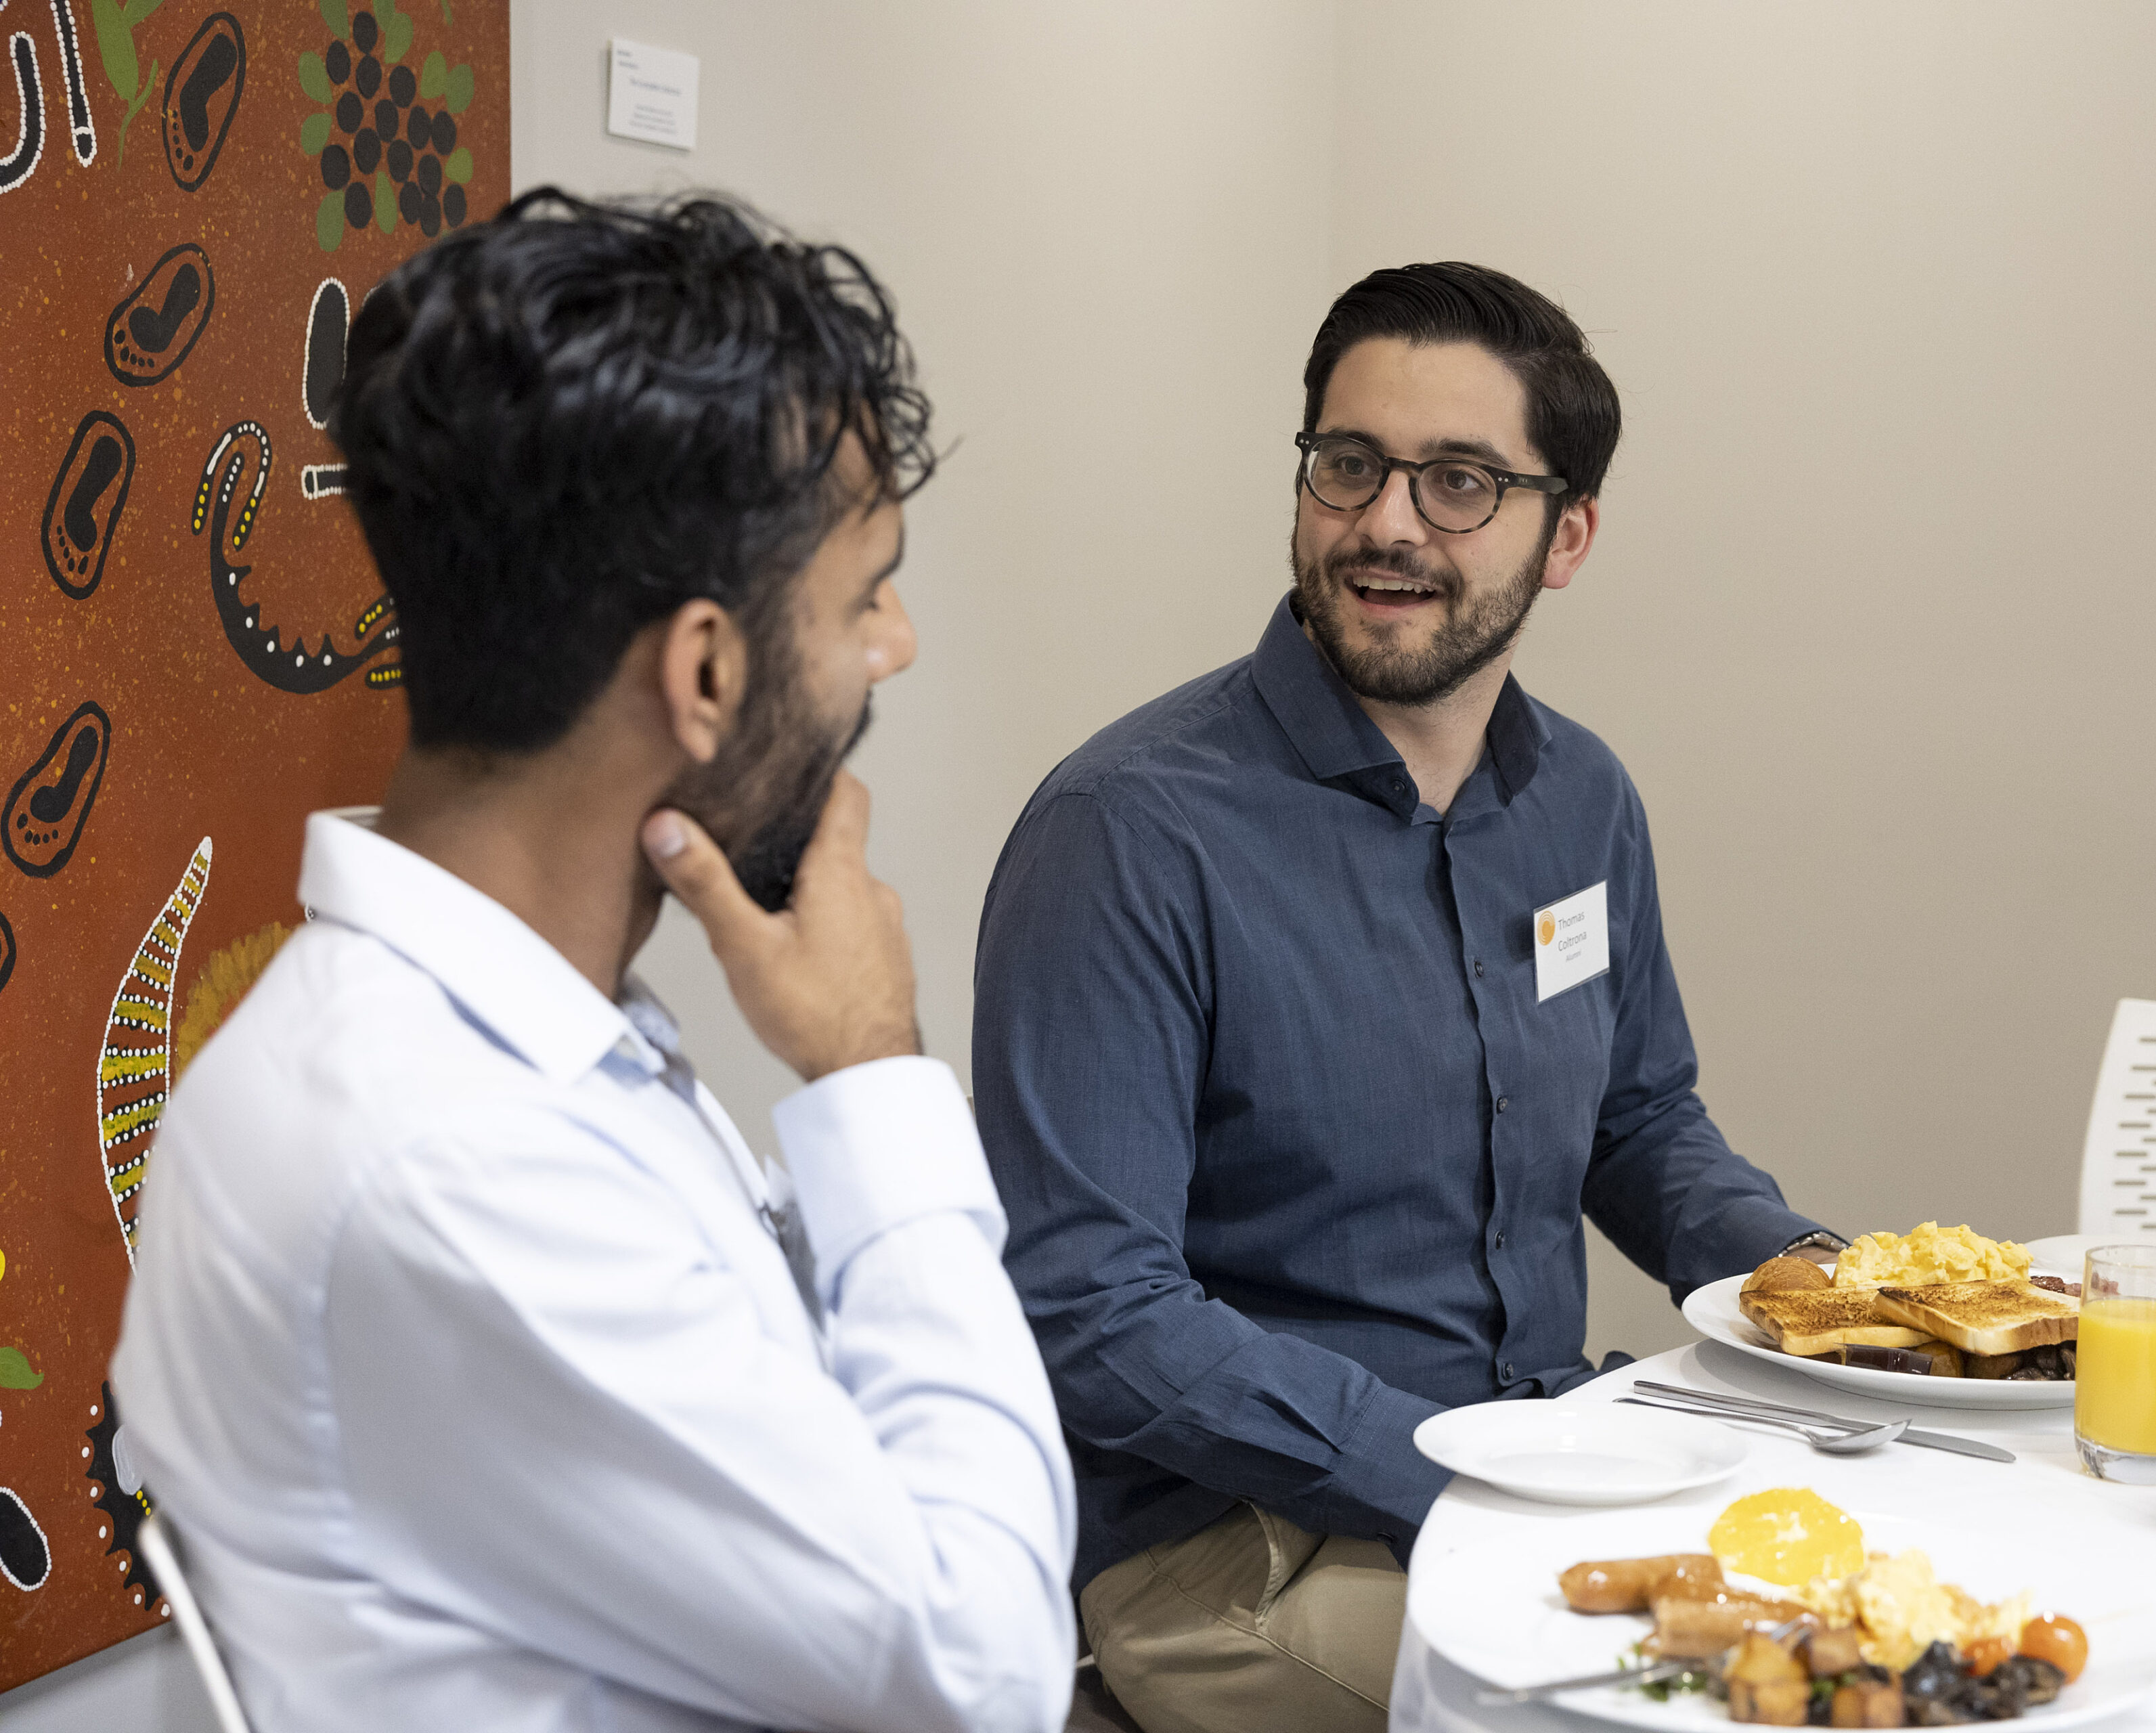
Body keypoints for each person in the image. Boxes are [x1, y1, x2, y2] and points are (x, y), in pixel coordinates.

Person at [112, 190, 1076, 1733]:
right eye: (864, 591)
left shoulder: (504, 1037)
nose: (894, 644)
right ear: (704, 670)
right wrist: (873, 1072)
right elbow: (983, 1670)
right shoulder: (449, 1155)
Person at [971, 262, 1839, 1733]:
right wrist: (1477, 1473)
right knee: (1722, 1703)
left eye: (1458, 482)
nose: (1385, 521)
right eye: (1350, 464)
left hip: (1526, 1468)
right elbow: (1090, 1311)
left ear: (1566, 535)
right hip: (1232, 1544)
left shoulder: (1582, 799)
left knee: (1896, 1614)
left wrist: (1840, 1292)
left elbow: (1637, 1120)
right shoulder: (1126, 829)